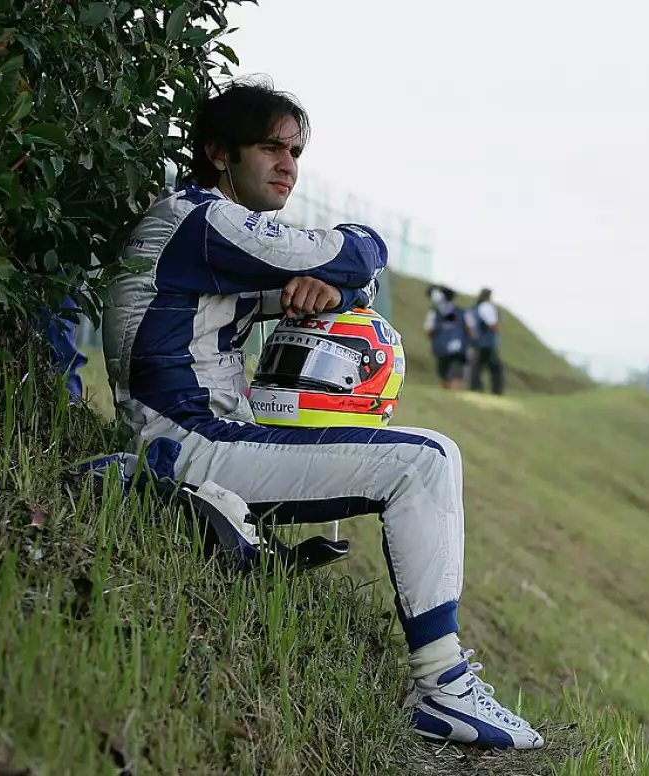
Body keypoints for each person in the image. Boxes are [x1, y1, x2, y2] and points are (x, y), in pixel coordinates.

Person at [99, 78, 544, 750]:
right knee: (425, 461)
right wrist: (340, 265)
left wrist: (328, 284)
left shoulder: (214, 232)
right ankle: (444, 688)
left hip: (201, 437)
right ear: (220, 154)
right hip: (190, 443)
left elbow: (348, 283)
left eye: (296, 151)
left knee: (407, 448)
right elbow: (359, 251)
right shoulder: (204, 221)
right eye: (270, 147)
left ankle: (200, 508)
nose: (288, 165)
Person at [423, 285, 469, 390]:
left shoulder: (434, 312)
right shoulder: (461, 312)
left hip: (441, 348)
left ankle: (447, 389)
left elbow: (429, 330)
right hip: (459, 348)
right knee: (458, 375)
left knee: (443, 374)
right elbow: (469, 329)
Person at [466, 288, 504, 395]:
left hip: (475, 342)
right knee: (496, 368)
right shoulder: (486, 307)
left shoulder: (473, 309)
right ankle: (497, 390)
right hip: (486, 342)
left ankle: (475, 388)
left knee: (476, 367)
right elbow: (492, 324)